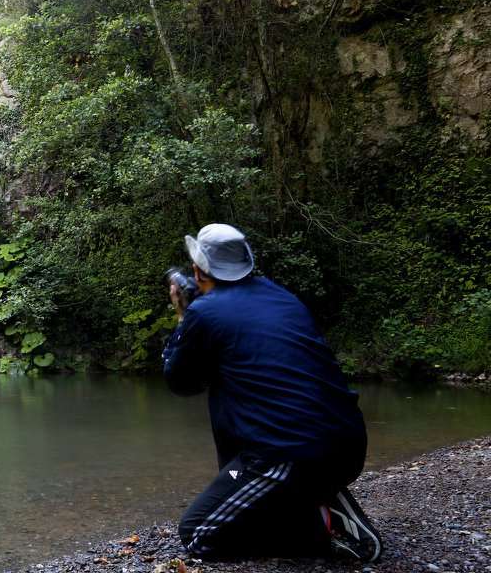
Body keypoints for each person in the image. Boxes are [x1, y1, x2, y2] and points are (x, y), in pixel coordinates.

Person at [162, 223, 382, 562]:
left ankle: (319, 535)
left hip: (288, 456)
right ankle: (317, 501)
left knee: (198, 535)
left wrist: (183, 316)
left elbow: (180, 382)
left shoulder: (204, 312)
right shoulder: (282, 297)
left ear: (197, 270)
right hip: (348, 447)